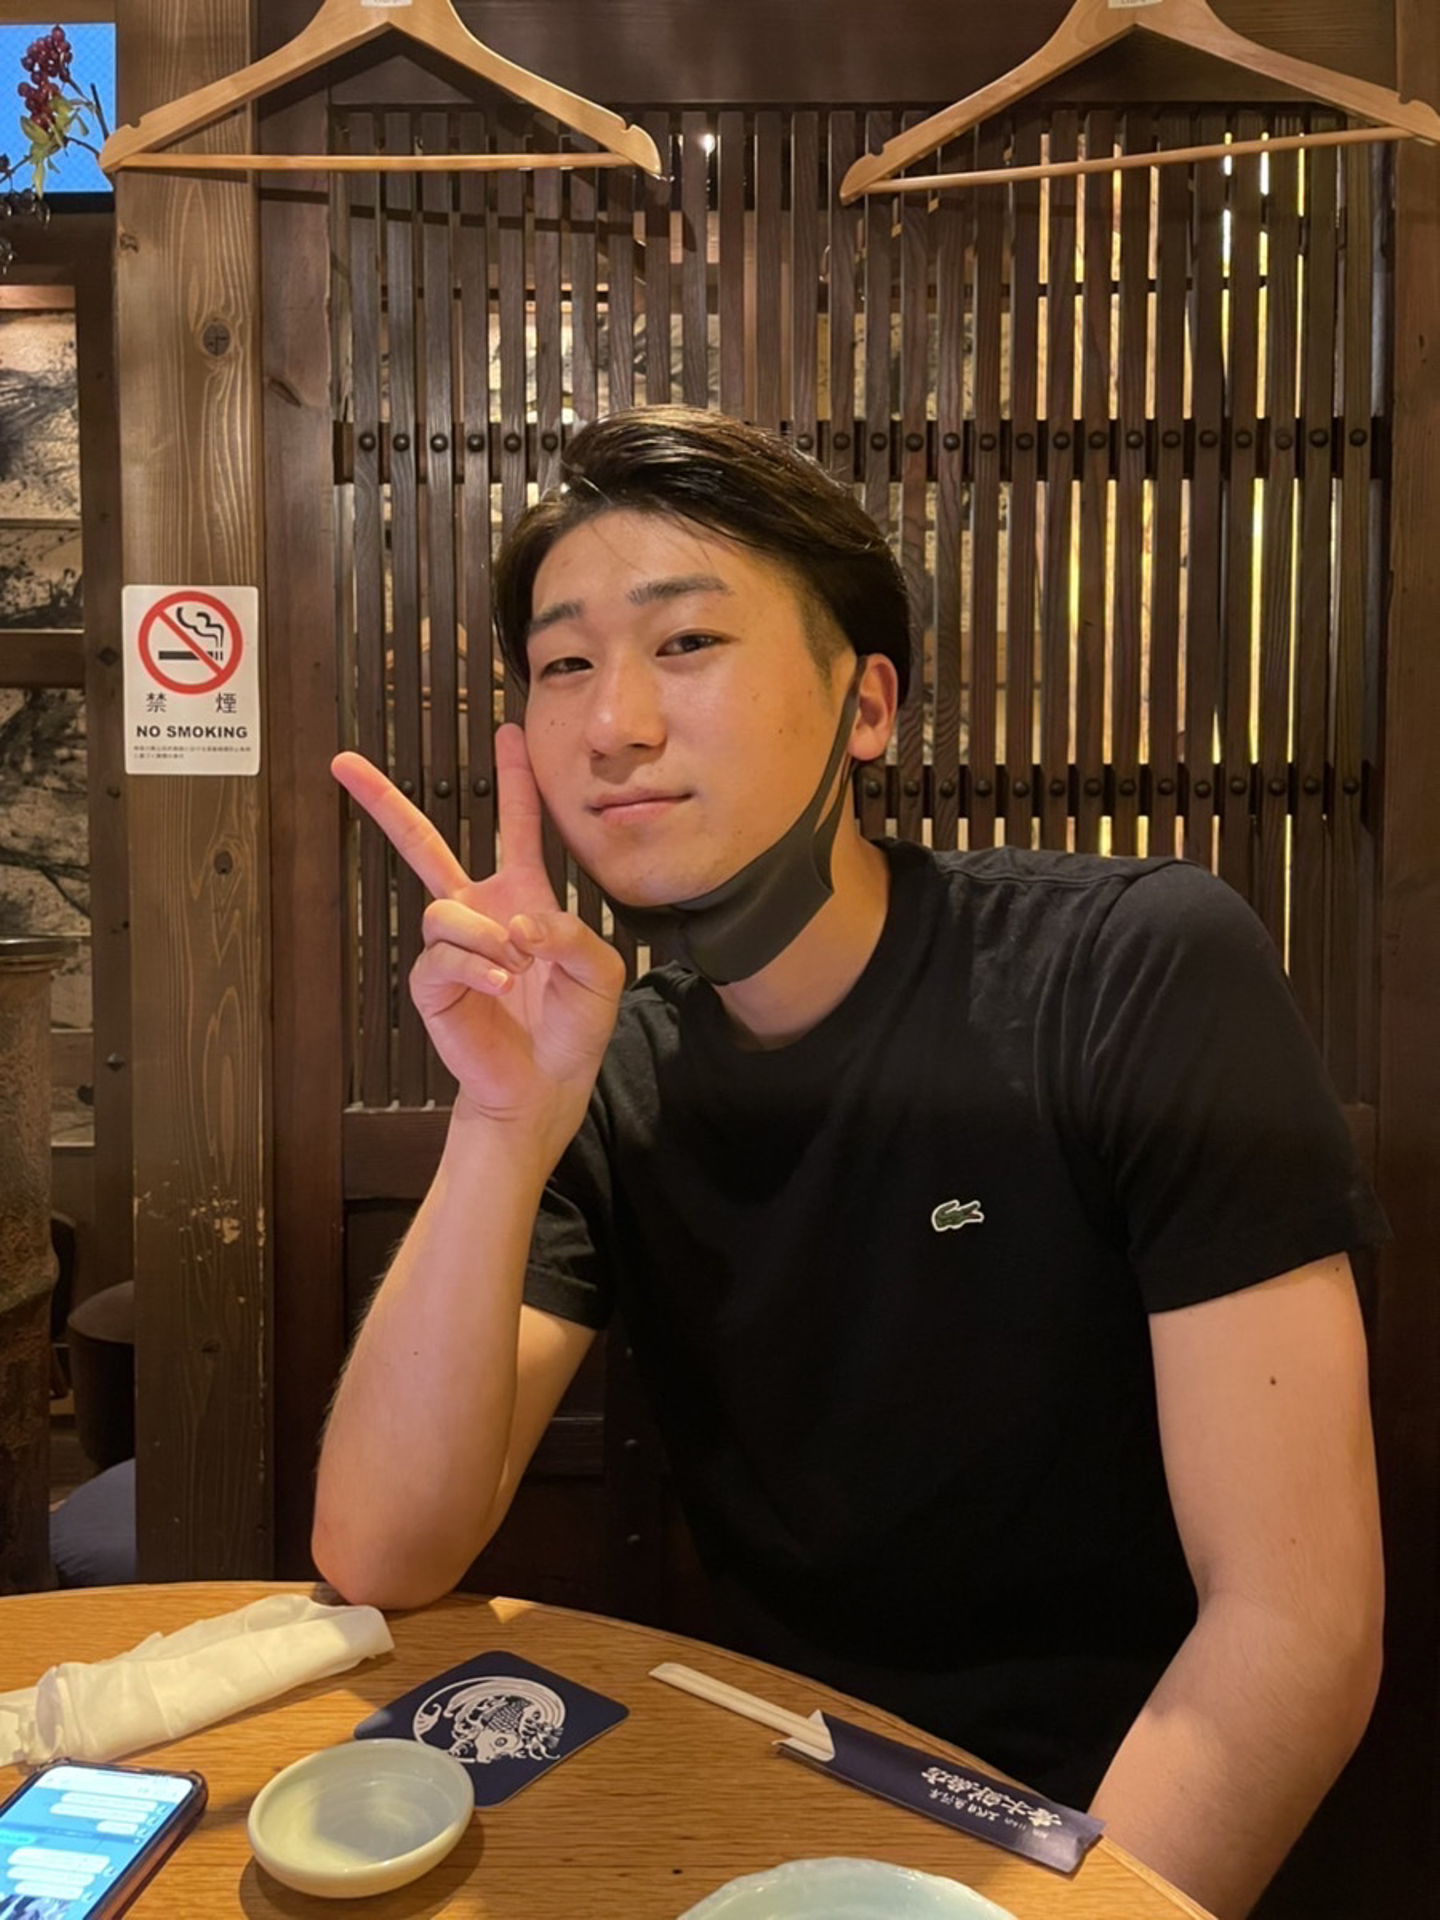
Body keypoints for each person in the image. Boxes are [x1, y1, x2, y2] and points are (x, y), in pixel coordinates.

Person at [313, 406, 1386, 1919]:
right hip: (781, 1811)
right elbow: (380, 1552)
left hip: (1124, 1831)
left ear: (865, 705)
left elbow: (1295, 1627)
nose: (613, 722)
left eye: (686, 642)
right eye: (562, 666)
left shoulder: (1132, 972)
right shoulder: (606, 1071)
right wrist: (499, 1126)